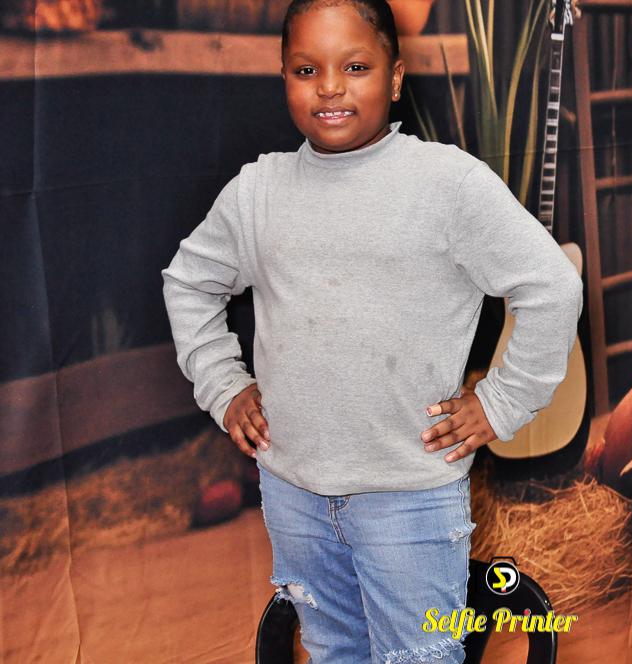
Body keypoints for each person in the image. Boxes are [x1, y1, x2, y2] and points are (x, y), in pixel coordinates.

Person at [161, 0, 583, 662]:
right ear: (283, 76)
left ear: (395, 77)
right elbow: (189, 283)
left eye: (355, 67)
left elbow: (552, 284)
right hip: (293, 495)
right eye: (307, 69)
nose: (330, 87)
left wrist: (503, 402)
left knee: (420, 656)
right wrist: (222, 383)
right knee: (333, 652)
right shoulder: (257, 193)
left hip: (410, 499)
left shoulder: (446, 183)